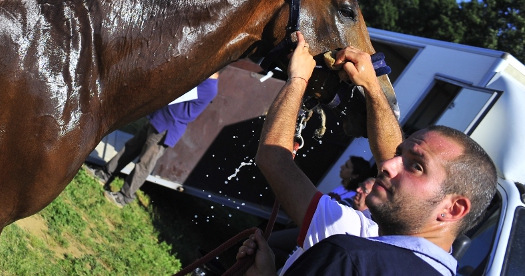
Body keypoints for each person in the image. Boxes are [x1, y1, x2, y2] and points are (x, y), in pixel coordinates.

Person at [236, 31, 498, 276]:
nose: (387, 165)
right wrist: (371, 87)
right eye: (401, 155)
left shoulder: (348, 255)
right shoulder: (368, 238)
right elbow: (390, 158)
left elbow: (274, 158)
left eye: (417, 166)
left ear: (453, 208)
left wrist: (298, 79)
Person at [96, 73, 219, 207]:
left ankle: (124, 197)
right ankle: (105, 174)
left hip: (167, 127)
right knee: (131, 147)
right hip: (159, 119)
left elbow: (178, 91)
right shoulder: (202, 78)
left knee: (144, 164)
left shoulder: (209, 87)